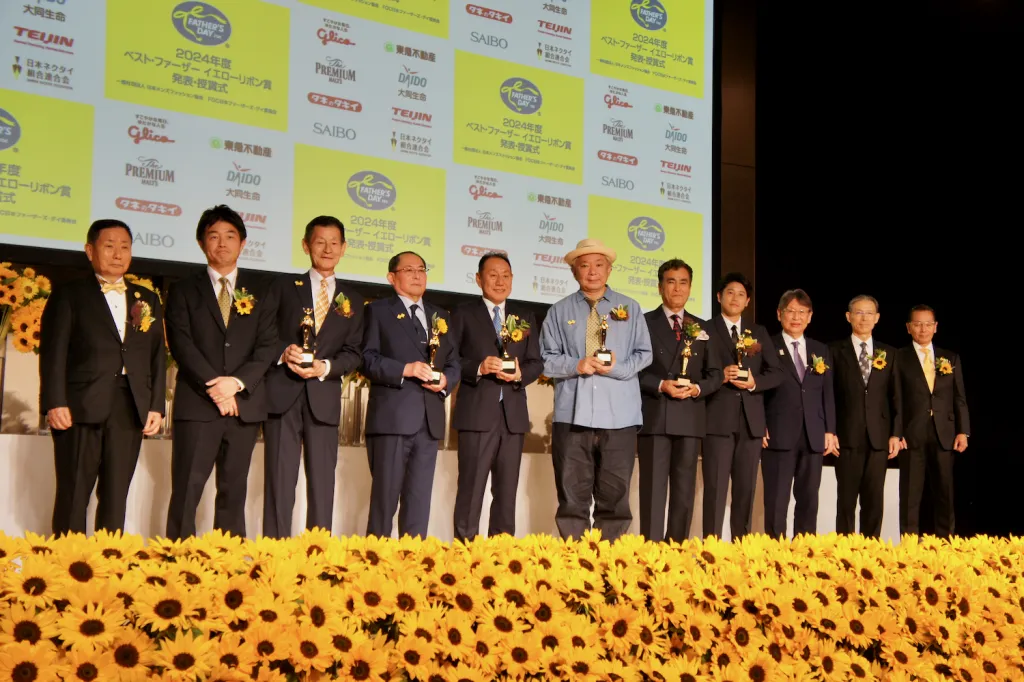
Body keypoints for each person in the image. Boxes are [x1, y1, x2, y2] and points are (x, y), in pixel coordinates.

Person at [39, 219, 165, 535]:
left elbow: (156, 356)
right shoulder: (69, 294)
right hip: (80, 405)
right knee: (73, 493)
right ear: (90, 250)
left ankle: (108, 558)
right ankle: (67, 558)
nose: (118, 254)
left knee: (116, 495)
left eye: (125, 247)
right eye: (109, 246)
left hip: (129, 405)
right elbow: (54, 353)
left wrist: (156, 405)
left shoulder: (146, 298)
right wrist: (55, 401)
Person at [164, 205, 279, 539]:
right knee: (187, 487)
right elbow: (182, 344)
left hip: (243, 406)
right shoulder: (184, 289)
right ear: (202, 243)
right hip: (198, 404)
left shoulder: (262, 290)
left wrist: (236, 384)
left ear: (243, 243)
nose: (222, 243)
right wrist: (216, 388)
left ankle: (227, 558)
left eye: (230, 236)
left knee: (233, 489)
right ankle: (176, 557)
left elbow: (267, 344)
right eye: (213, 236)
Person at [539, 238, 652, 541]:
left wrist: (616, 367)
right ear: (574, 272)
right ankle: (576, 561)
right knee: (571, 499)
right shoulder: (559, 311)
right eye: (585, 266)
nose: (592, 272)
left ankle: (610, 562)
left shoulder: (630, 307)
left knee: (615, 500)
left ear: (609, 269)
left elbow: (644, 354)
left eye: (599, 265)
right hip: (572, 417)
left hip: (620, 417)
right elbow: (546, 359)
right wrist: (577, 365)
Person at [263, 216, 364, 538]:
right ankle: (274, 551)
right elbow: (263, 334)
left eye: (334, 243)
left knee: (322, 483)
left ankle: (317, 553)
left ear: (344, 248)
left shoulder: (353, 299)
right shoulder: (283, 287)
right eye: (320, 242)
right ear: (306, 245)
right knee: (279, 481)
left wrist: (327, 367)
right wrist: (283, 352)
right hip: (283, 393)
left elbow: (354, 352)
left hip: (324, 397)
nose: (327, 249)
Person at [362, 251, 460, 538]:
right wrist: (405, 369)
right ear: (392, 277)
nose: (417, 275)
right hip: (392, 420)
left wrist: (446, 380)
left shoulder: (440, 315)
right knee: (384, 503)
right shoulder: (378, 311)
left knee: (419, 504)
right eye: (409, 270)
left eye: (421, 269)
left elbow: (453, 361)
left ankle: (413, 561)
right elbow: (366, 359)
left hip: (429, 421)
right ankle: (376, 559)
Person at [450, 253, 543, 540]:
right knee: (471, 489)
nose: (500, 281)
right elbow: (450, 360)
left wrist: (519, 374)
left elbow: (535, 362)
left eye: (506, 275)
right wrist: (479, 367)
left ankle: (501, 553)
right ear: (479, 279)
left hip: (512, 416)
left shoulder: (524, 316)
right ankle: (464, 552)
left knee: (506, 492)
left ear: (512, 280)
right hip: (477, 414)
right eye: (493, 275)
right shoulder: (463, 313)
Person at [637, 259, 722, 542]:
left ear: (690, 287)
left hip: (690, 417)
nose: (677, 288)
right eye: (671, 282)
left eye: (683, 282)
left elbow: (715, 374)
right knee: (653, 492)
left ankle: (677, 552)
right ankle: (650, 552)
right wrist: (660, 384)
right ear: (660, 287)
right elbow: (633, 369)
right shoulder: (644, 322)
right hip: (655, 417)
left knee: (684, 493)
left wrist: (697, 389)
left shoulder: (702, 327)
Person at [704, 273, 782, 539]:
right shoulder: (705, 329)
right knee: (715, 490)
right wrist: (720, 376)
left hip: (751, 423)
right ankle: (711, 548)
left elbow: (777, 373)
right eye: (730, 292)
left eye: (741, 294)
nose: (735, 298)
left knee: (745, 491)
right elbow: (697, 371)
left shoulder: (758, 332)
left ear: (747, 301)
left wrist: (753, 382)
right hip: (717, 420)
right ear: (719, 297)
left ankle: (741, 548)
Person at [763, 288, 837, 538]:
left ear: (810, 316)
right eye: (791, 311)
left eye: (802, 312)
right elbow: (759, 392)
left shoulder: (820, 349)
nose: (796, 317)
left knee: (808, 500)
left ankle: (804, 549)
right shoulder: (767, 345)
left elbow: (827, 392)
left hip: (813, 434)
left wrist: (830, 430)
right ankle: (775, 549)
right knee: (776, 500)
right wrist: (759, 424)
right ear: (779, 314)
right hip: (777, 433)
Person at [828, 295, 901, 537]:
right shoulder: (834, 351)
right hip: (846, 436)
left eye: (869, 313)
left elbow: (896, 397)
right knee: (846, 501)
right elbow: (828, 395)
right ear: (848, 317)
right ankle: (845, 550)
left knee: (874, 502)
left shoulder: (889, 353)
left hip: (879, 438)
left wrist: (896, 433)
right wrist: (830, 430)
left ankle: (871, 550)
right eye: (859, 313)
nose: (864, 318)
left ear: (877, 318)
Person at [894, 304, 969, 537]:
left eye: (928, 324)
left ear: (936, 327)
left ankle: (945, 544)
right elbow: (895, 399)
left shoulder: (950, 357)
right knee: (910, 495)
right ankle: (909, 546)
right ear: (909, 327)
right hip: (911, 433)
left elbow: (959, 398)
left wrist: (963, 431)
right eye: (917, 324)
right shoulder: (898, 357)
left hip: (944, 433)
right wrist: (897, 433)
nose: (923, 329)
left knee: (945, 494)